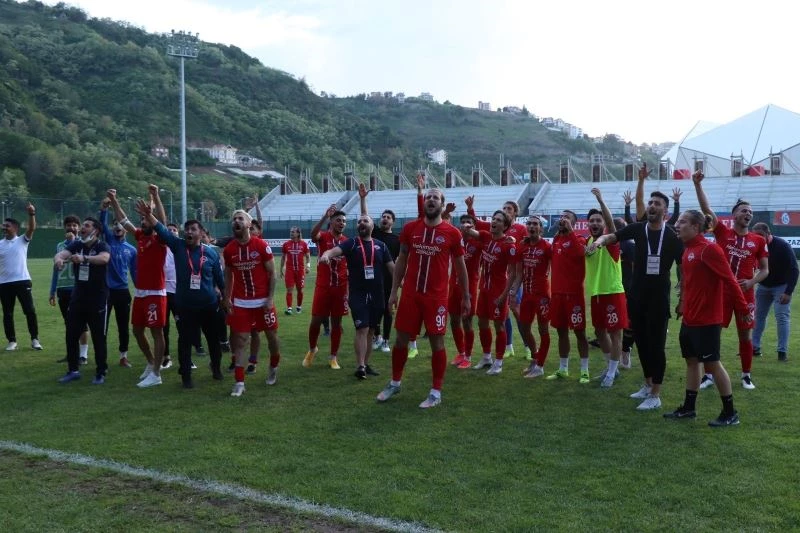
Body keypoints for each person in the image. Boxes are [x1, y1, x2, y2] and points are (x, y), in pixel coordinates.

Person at [588, 168, 683, 410]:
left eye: (657, 203)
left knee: (656, 345)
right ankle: (647, 384)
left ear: (665, 211)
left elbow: (683, 267)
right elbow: (613, 236)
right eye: (650, 202)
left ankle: (656, 395)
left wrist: (682, 295)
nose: (651, 206)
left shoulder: (672, 236)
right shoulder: (639, 229)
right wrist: (599, 241)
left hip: (659, 299)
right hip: (637, 297)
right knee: (640, 341)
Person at [376, 187, 469, 408]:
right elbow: (401, 260)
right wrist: (393, 292)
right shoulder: (410, 229)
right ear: (424, 202)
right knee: (401, 339)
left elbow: (460, 267)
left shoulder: (453, 233)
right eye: (428, 197)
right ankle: (395, 383)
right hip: (410, 294)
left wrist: (466, 296)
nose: (431, 200)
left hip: (436, 298)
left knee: (437, 342)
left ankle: (436, 392)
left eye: (435, 198)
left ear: (442, 204)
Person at [664, 210, 750, 426]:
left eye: (682, 222)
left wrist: (743, 309)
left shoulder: (709, 249)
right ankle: (689, 409)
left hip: (708, 320)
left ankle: (730, 413)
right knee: (692, 362)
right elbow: (688, 283)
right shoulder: (687, 250)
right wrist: (683, 304)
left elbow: (730, 280)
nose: (677, 225)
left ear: (695, 227)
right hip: (690, 319)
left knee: (712, 365)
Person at [693, 171, 769, 389]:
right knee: (713, 333)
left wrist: (751, 282)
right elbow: (707, 210)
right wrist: (697, 185)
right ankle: (709, 375)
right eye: (744, 210)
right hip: (721, 292)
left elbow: (765, 270)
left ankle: (746, 375)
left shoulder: (758, 240)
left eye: (750, 212)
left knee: (745, 335)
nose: (748, 213)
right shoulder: (723, 232)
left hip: (746, 294)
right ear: (734, 215)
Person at [138, 203, 225, 388]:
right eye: (187, 229)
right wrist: (149, 215)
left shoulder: (211, 253)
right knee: (184, 341)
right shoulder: (178, 246)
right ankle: (186, 376)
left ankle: (216, 368)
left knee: (213, 340)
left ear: (201, 233)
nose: (189, 232)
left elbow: (219, 278)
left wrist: (225, 299)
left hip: (209, 305)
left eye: (193, 229)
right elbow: (161, 229)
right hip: (186, 306)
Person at [320, 187, 395, 379]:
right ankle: (360, 366)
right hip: (358, 294)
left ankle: (366, 364)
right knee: (362, 328)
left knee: (371, 330)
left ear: (372, 226)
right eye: (359, 221)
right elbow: (333, 251)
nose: (362, 223)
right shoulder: (352, 243)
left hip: (377, 294)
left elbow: (392, 269)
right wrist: (326, 255)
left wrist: (400, 284)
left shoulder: (381, 246)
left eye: (365, 221)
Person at [107, 187, 168, 388]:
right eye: (141, 219)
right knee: (137, 330)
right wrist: (114, 200)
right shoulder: (141, 236)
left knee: (156, 332)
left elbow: (163, 222)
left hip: (155, 293)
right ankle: (151, 362)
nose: (143, 222)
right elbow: (124, 220)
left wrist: (156, 196)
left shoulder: (160, 239)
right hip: (140, 293)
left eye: (146, 219)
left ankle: (157, 373)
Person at [222, 209, 281, 396]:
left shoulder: (261, 245)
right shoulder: (229, 250)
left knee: (272, 338)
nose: (236, 221)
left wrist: (270, 298)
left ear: (249, 224)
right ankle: (239, 382)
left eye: (240, 218)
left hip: (263, 302)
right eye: (234, 219)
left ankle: (273, 367)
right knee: (240, 340)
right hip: (241, 303)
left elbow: (272, 274)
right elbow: (228, 276)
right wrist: (226, 297)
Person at [54, 217, 111, 384]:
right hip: (78, 298)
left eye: (87, 226)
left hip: (98, 299)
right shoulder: (77, 244)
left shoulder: (102, 246)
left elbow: (104, 258)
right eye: (83, 225)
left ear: (96, 231)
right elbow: (61, 253)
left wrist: (84, 259)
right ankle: (73, 370)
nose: (82, 228)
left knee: (99, 337)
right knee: (71, 334)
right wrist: (58, 259)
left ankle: (100, 372)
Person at [462, 210, 517, 375]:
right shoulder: (486, 236)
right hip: (484, 289)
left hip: (498, 291)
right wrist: (467, 226)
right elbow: (470, 231)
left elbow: (512, 273)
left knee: (499, 325)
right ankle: (487, 357)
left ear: (505, 226)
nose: (494, 221)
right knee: (482, 323)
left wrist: (504, 295)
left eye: (499, 220)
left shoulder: (508, 245)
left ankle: (499, 362)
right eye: (494, 219)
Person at [583, 188, 628, 388]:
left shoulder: (611, 241)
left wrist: (601, 200)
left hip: (613, 292)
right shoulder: (587, 242)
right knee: (600, 332)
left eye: (598, 220)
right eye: (591, 221)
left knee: (615, 334)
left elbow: (611, 225)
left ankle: (611, 372)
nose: (594, 223)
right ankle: (612, 368)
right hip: (596, 294)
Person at [545, 209, 590, 383]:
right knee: (561, 332)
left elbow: (580, 253)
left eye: (567, 217)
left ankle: (584, 371)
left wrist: (570, 231)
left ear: (574, 222)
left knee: (580, 333)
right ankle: (563, 369)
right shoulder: (556, 240)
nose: (563, 219)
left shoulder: (579, 239)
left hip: (574, 295)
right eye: (562, 217)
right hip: (557, 295)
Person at [303, 205, 348, 370]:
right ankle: (312, 349)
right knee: (316, 320)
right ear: (332, 222)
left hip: (340, 287)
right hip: (323, 286)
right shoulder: (323, 236)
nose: (341, 223)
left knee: (337, 323)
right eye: (338, 220)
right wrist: (324, 216)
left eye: (344, 221)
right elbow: (312, 234)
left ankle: (333, 357)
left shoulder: (346, 241)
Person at [360, 190, 400, 354]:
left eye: (388, 217)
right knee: (374, 310)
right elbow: (365, 215)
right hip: (372, 279)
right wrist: (363, 198)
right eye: (383, 216)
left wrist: (399, 280)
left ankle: (386, 341)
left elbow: (399, 261)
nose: (385, 218)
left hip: (389, 280)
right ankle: (377, 337)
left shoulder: (397, 240)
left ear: (393, 222)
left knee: (388, 310)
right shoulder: (375, 232)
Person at [512, 215, 552, 378]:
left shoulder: (547, 247)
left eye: (535, 224)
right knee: (524, 327)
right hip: (527, 295)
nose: (531, 226)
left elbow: (555, 266)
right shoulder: (522, 246)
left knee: (543, 330)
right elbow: (519, 273)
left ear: (541, 228)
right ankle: (535, 359)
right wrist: (514, 291)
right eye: (529, 224)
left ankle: (540, 366)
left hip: (542, 296)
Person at [751, 222, 798, 362]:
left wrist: (788, 292)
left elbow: (794, 269)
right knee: (758, 317)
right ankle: (754, 348)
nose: (758, 238)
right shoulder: (756, 246)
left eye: (760, 235)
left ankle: (782, 352)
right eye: (755, 236)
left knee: (782, 317)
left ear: (768, 233)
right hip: (763, 285)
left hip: (781, 286)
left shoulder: (782, 246)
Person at [99, 198, 137, 368]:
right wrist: (104, 210)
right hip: (106, 291)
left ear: (126, 228)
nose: (117, 226)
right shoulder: (108, 241)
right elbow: (102, 225)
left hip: (123, 292)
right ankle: (102, 359)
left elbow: (134, 273)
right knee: (103, 326)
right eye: (114, 224)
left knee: (123, 326)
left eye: (120, 224)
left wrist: (140, 290)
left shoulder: (132, 250)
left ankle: (123, 357)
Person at [0, 203, 42, 351]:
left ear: (15, 228)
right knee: (7, 313)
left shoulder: (22, 241)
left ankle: (35, 339)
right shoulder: (0, 244)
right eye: (3, 225)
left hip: (22, 281)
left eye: (7, 226)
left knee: (29, 311)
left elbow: (31, 228)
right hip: (4, 283)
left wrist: (32, 214)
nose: (4, 227)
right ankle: (12, 341)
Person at [50, 216, 90, 365]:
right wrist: (52, 290)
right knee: (69, 324)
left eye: (74, 225)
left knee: (81, 323)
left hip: (77, 288)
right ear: (64, 227)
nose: (71, 228)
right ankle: (71, 353)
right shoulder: (59, 246)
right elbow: (55, 269)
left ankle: (83, 355)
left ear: (79, 228)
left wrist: (73, 241)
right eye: (68, 225)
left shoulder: (83, 243)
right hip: (62, 289)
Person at [449, 213, 482, 369]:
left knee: (467, 321)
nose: (465, 224)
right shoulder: (455, 240)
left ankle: (468, 356)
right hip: (453, 285)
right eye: (462, 222)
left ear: (474, 225)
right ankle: (461, 353)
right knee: (454, 320)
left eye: (469, 222)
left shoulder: (479, 242)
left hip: (470, 287)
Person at [281, 226, 310, 315]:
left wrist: (308, 266)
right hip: (289, 271)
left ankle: (299, 307)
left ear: (298, 233)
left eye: (293, 232)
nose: (291, 233)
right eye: (291, 232)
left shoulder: (304, 244)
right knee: (289, 290)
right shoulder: (286, 244)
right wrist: (281, 269)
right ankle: (289, 308)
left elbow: (308, 256)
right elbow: (283, 257)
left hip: (300, 271)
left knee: (300, 290)